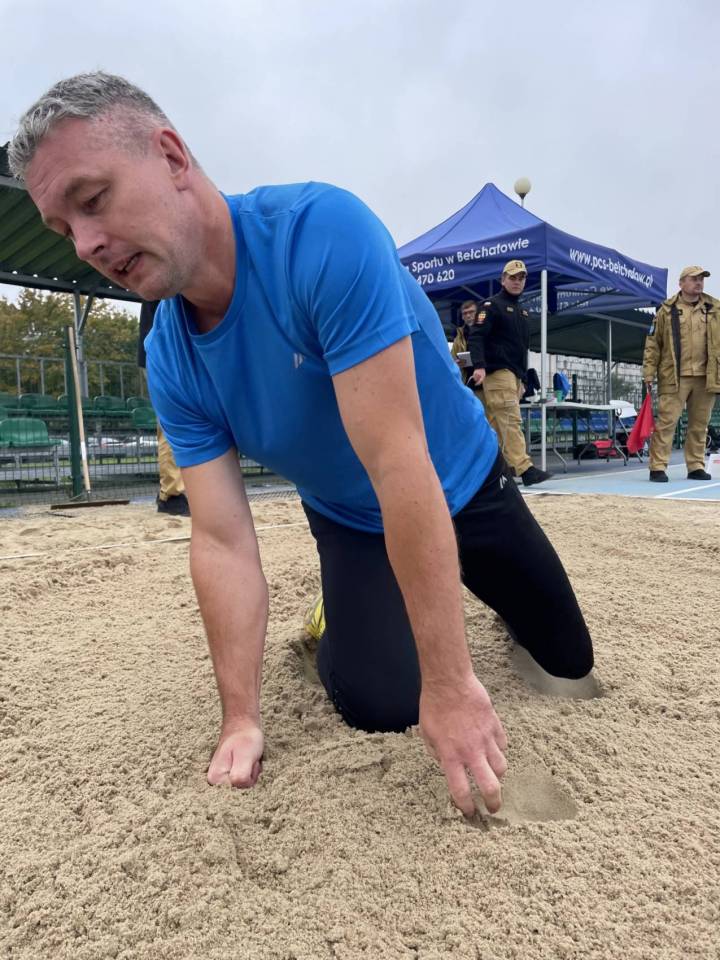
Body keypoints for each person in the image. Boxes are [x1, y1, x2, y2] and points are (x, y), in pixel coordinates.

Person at [11, 72, 595, 818]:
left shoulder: (320, 235)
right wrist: (241, 718)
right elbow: (222, 538)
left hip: (462, 477)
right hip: (351, 516)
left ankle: (475, 596)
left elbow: (399, 461)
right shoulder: (171, 356)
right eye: (64, 230)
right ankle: (337, 613)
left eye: (92, 200)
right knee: (382, 705)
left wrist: (453, 684)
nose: (87, 243)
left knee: (567, 666)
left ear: (172, 157)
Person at [467, 261, 552, 486]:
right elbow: (476, 336)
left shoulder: (523, 312)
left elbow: (522, 348)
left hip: (513, 375)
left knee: (497, 425)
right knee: (510, 420)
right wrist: (479, 365)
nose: (517, 282)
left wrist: (522, 378)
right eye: (512, 277)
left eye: (521, 278)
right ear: (502, 280)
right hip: (497, 372)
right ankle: (525, 469)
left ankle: (497, 473)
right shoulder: (490, 306)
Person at [642, 266, 720, 482]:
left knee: (700, 425)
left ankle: (695, 466)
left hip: (706, 376)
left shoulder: (715, 308)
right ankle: (657, 466)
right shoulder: (666, 310)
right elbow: (653, 344)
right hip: (674, 376)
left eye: (701, 279)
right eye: (694, 279)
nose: (699, 283)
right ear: (681, 283)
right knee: (667, 423)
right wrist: (648, 373)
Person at [137, 300, 190, 515]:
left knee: (183, 422)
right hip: (164, 355)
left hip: (173, 354)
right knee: (172, 422)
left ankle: (176, 491)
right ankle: (172, 494)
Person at [450, 300, 479, 384]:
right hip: (467, 380)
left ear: (479, 313)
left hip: (487, 378)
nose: (468, 315)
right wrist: (457, 362)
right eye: (465, 313)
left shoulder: (488, 330)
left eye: (471, 312)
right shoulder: (459, 335)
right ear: (462, 317)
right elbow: (453, 359)